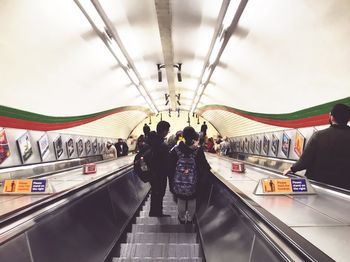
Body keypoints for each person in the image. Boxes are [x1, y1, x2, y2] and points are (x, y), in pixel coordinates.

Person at [283, 103, 350, 190]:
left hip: (318, 184)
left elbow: (305, 160)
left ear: (331, 117)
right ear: (348, 119)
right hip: (345, 188)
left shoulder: (319, 136)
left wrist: (292, 169)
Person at [169, 126, 211, 224]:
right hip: (193, 182)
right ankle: (190, 218)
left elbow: (170, 167)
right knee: (192, 199)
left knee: (181, 200)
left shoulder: (176, 150)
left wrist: (172, 180)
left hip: (179, 181)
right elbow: (205, 166)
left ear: (183, 136)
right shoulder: (198, 150)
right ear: (194, 136)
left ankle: (182, 218)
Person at [147, 121, 171, 217]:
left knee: (155, 192)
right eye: (168, 130)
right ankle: (157, 212)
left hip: (152, 173)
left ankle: (153, 212)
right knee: (160, 193)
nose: (168, 132)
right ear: (164, 131)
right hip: (160, 174)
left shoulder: (151, 141)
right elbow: (165, 162)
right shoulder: (161, 144)